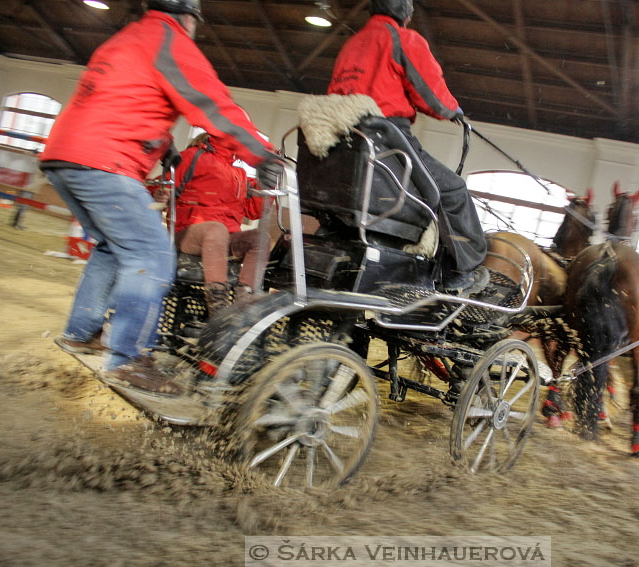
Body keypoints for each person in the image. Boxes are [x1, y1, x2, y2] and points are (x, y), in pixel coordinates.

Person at [39, 0, 284, 395]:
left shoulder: (127, 38)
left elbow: (121, 100)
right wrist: (263, 153)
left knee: (110, 246)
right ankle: (130, 358)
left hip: (64, 157)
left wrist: (164, 144)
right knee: (152, 258)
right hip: (105, 162)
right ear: (189, 18)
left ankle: (80, 331)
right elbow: (215, 108)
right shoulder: (170, 41)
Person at [326, 0, 489, 294]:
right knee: (453, 191)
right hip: (385, 136)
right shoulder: (403, 38)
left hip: (346, 140)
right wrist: (453, 111)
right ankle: (460, 272)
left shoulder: (353, 42)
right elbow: (431, 93)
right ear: (405, 13)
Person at [171, 132, 266, 315]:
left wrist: (266, 183)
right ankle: (217, 304)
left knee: (260, 238)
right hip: (189, 234)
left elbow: (254, 212)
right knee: (216, 229)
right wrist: (160, 193)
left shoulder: (240, 174)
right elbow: (165, 184)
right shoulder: (192, 157)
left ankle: (244, 298)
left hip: (222, 238)